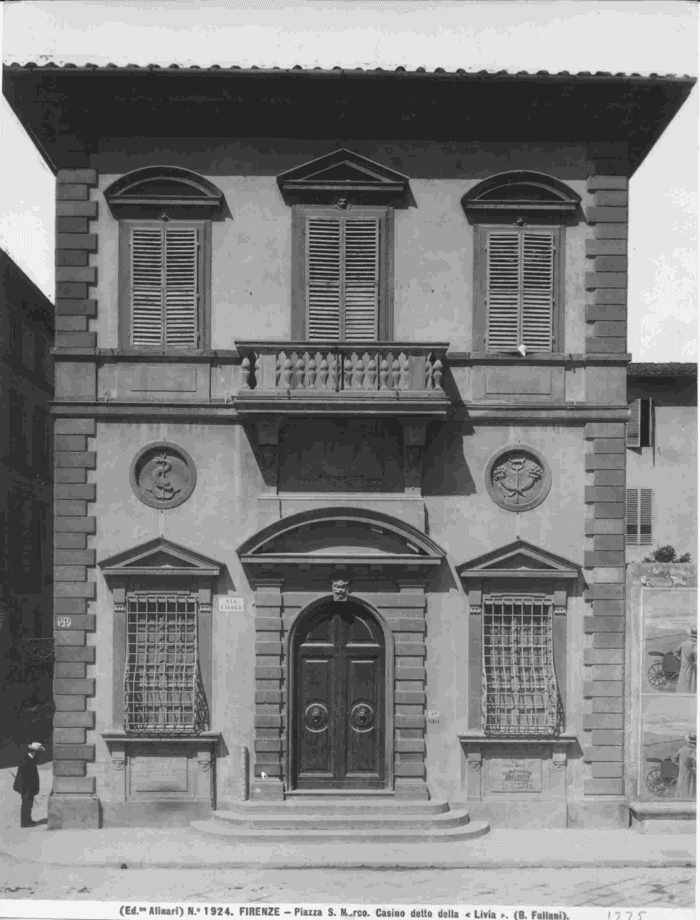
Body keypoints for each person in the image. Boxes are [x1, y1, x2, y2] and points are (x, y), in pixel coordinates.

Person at [13, 742, 45, 827]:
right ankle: (25, 823)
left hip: (29, 788)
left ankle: (28, 820)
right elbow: (24, 777)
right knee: (26, 805)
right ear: (34, 752)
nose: (39, 755)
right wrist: (27, 791)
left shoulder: (30, 759)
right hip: (26, 788)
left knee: (29, 805)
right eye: (38, 753)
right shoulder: (26, 760)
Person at [672, 732, 697, 799]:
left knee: (681, 784)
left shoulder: (682, 749)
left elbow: (674, 758)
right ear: (694, 743)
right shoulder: (692, 751)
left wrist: (680, 765)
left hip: (682, 770)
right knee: (689, 786)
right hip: (690, 772)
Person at [675, 626, 697, 693]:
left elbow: (676, 653)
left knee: (683, 681)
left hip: (684, 665)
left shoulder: (683, 643)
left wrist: (681, 660)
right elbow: (695, 654)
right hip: (692, 667)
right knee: (691, 682)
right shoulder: (695, 645)